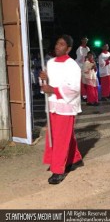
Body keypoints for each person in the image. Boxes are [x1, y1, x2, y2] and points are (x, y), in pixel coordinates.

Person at [39, 35, 83, 185]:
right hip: (52, 104)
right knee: (59, 135)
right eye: (57, 43)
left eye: (62, 44)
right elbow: (45, 83)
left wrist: (53, 89)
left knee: (60, 138)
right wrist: (43, 78)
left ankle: (58, 170)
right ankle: (75, 158)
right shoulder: (50, 63)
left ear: (69, 48)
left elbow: (74, 88)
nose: (58, 46)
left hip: (66, 105)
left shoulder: (73, 66)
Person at [75, 37, 90, 101]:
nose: (85, 41)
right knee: (82, 82)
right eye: (84, 40)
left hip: (87, 66)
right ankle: (83, 96)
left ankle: (87, 95)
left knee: (87, 82)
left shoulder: (87, 48)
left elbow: (89, 56)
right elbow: (79, 59)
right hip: (80, 67)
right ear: (82, 40)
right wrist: (86, 57)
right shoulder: (79, 49)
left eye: (86, 40)